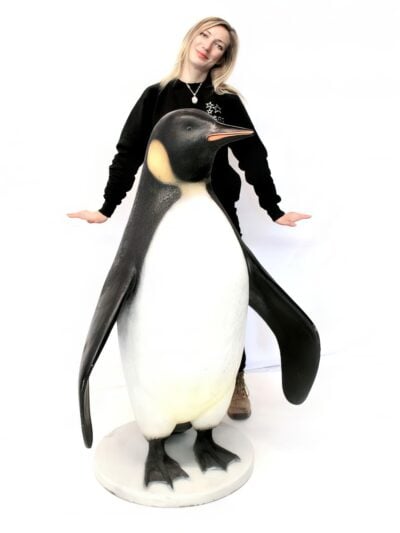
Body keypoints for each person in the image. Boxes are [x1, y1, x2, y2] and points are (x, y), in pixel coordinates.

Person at [68, 16, 311, 420]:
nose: (209, 46)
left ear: (222, 58)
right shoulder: (156, 96)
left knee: (226, 295)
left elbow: (252, 153)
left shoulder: (225, 101)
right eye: (205, 36)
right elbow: (129, 152)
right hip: (164, 215)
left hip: (217, 214)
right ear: (191, 38)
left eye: (219, 45)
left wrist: (273, 207)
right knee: (167, 298)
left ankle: (232, 378)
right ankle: (169, 393)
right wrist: (108, 206)